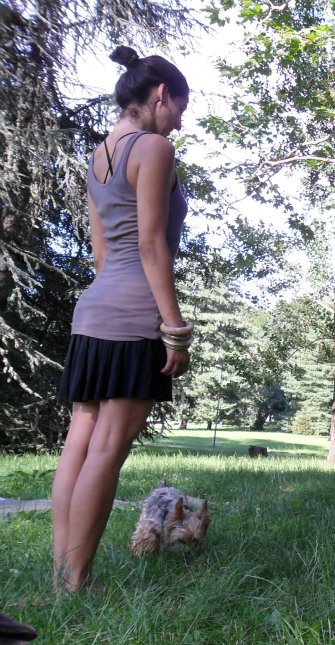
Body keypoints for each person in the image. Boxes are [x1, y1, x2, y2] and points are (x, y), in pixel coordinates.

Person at [51, 46, 192, 592]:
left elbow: (101, 252)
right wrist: (174, 328)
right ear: (160, 94)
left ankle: (63, 572)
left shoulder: (99, 155)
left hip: (95, 310)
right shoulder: (154, 148)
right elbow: (152, 244)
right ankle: (78, 580)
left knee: (80, 443)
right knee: (107, 450)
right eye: (179, 108)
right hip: (135, 313)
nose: (178, 120)